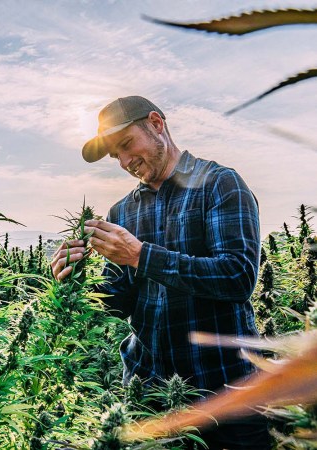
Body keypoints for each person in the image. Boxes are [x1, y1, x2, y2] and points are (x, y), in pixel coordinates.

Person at [51, 96, 271, 449]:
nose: (124, 162)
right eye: (115, 156)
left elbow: (237, 277)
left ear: (156, 124)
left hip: (225, 392)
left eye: (126, 145)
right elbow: (117, 300)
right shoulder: (122, 211)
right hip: (149, 393)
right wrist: (75, 280)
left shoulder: (220, 184)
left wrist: (141, 256)